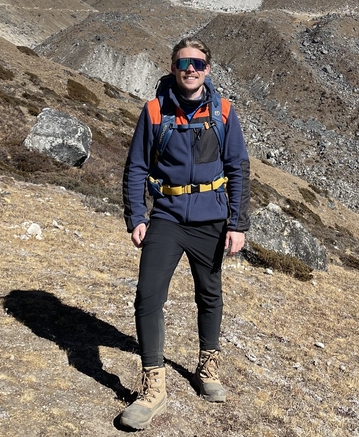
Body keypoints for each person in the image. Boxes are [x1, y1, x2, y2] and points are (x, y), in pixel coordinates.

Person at [117, 37, 250, 431]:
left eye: (198, 63)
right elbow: (136, 166)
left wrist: (238, 224)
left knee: (209, 295)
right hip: (168, 218)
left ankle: (207, 368)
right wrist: (136, 215)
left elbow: (239, 168)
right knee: (147, 295)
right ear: (173, 68)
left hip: (212, 219)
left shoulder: (224, 111)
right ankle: (152, 385)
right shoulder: (155, 111)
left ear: (208, 69)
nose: (190, 69)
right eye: (183, 63)